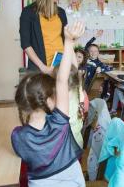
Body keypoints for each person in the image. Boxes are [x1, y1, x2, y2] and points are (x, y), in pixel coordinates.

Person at [11, 21, 86, 187]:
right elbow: (62, 80)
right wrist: (69, 41)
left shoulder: (18, 136)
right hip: (74, 182)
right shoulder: (60, 122)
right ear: (50, 100)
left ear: (22, 104)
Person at [19, 0, 68, 74]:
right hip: (39, 68)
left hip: (61, 64)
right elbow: (25, 44)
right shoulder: (28, 12)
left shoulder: (61, 12)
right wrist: (42, 67)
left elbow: (66, 39)